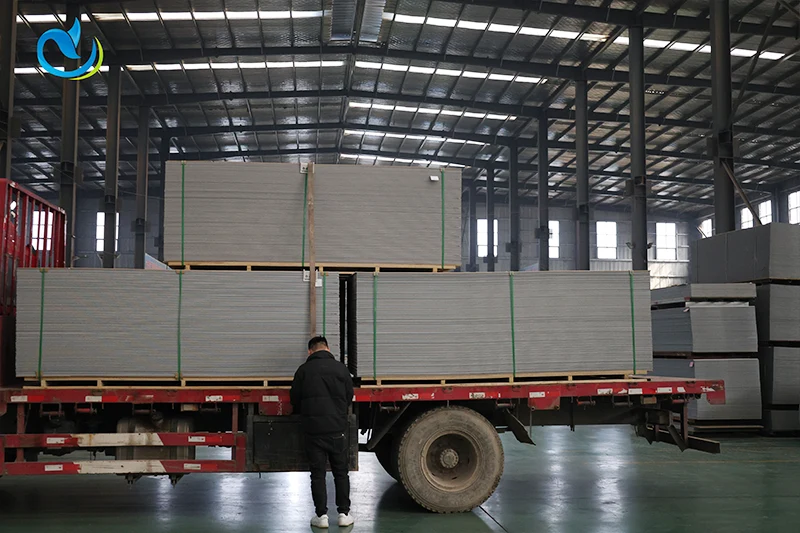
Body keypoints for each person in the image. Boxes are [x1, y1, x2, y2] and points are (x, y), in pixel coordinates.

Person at [290, 336, 355, 529]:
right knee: (341, 473)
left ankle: (321, 516)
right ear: (327, 348)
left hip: (313, 431)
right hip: (337, 430)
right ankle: (344, 514)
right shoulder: (341, 369)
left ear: (310, 351)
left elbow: (295, 399)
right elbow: (349, 396)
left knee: (317, 474)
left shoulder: (303, 370)